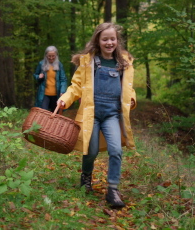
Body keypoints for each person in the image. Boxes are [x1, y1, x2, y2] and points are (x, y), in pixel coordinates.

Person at [57, 22, 136, 209]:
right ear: (98, 41)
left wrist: (132, 99)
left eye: (113, 39)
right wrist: (65, 100)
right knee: (90, 151)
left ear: (117, 41)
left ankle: (113, 190)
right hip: (91, 114)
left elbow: (128, 88)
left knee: (116, 150)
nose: (109, 42)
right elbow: (76, 86)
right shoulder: (89, 62)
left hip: (112, 115)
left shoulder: (123, 63)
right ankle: (86, 175)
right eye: (105, 39)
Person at [33, 46, 68, 112]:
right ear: (46, 55)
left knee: (55, 114)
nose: (51, 58)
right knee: (43, 112)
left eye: (53, 56)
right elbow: (35, 75)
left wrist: (62, 91)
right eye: (49, 56)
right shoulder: (41, 64)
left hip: (56, 94)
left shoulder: (59, 65)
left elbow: (63, 79)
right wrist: (38, 77)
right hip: (44, 94)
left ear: (56, 55)